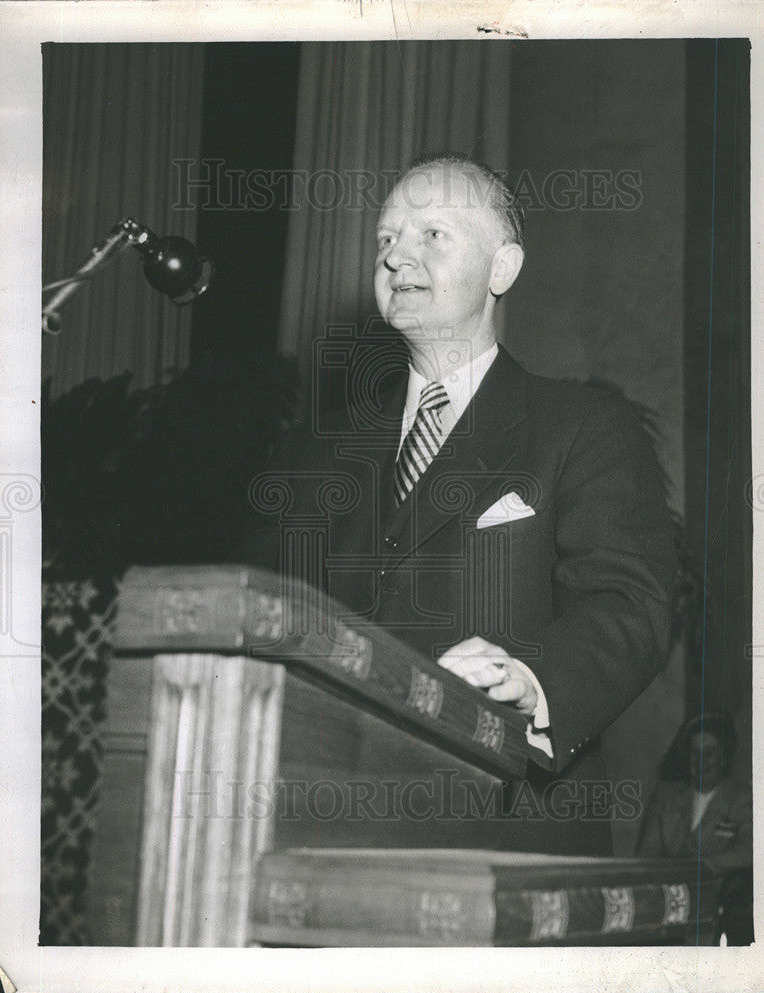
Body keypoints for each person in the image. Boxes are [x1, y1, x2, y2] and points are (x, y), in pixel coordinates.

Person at [241, 155, 677, 855]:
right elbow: (276, 615)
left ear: (502, 269)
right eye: (385, 239)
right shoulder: (322, 450)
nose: (397, 257)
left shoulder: (582, 426)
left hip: (508, 829)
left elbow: (632, 603)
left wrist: (534, 679)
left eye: (432, 234)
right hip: (335, 826)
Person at [636, 712, 752, 872]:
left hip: (720, 892)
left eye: (709, 752)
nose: (700, 760)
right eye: (694, 752)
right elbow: (648, 852)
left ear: (724, 758)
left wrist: (703, 866)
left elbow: (749, 852)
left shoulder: (743, 799)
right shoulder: (665, 796)